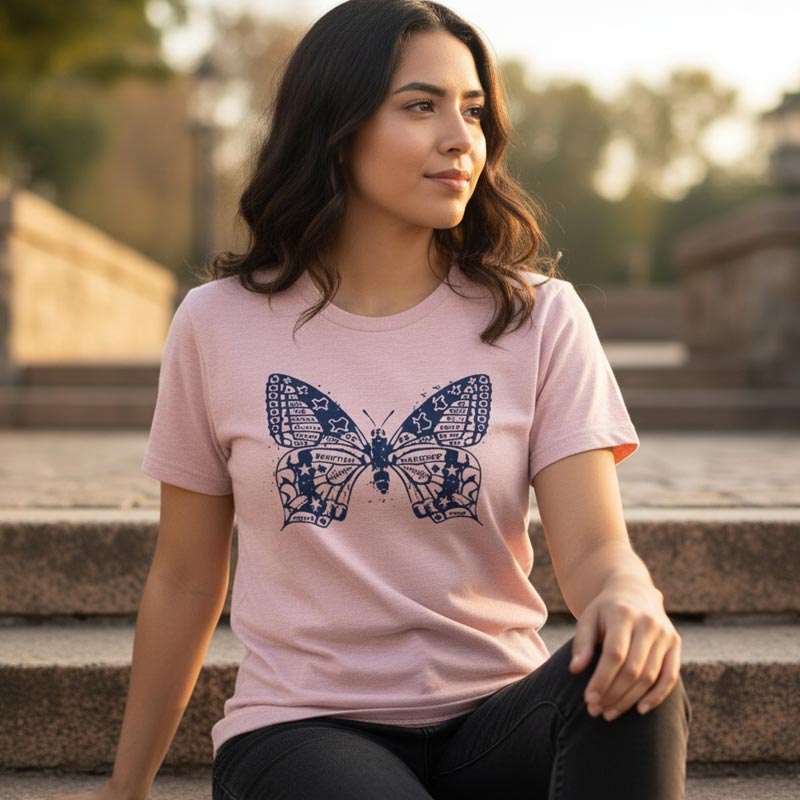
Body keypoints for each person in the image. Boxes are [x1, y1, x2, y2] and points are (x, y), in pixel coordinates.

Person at [46, 1, 691, 798]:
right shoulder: (218, 324)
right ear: (335, 127)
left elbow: (594, 550)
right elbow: (184, 577)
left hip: (495, 721)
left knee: (639, 682)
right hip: (303, 732)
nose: (460, 137)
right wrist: (127, 786)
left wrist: (631, 595)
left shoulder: (538, 317)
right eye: (421, 106)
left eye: (474, 110)